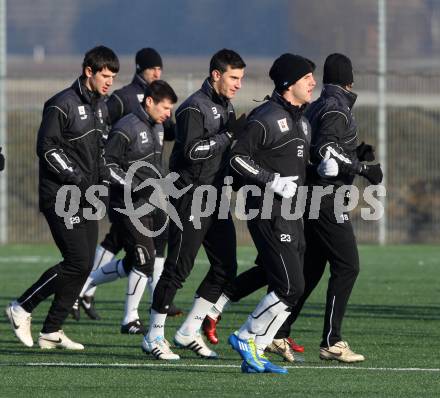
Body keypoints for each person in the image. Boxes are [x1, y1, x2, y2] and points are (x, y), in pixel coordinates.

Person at [268, 53, 383, 363]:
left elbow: (321, 146)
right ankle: (332, 340)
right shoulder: (338, 109)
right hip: (326, 199)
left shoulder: (320, 104)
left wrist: (355, 151)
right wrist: (362, 167)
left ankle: (276, 332)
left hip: (312, 197)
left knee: (311, 270)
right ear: (350, 80)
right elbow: (325, 148)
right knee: (348, 266)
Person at [5, 46, 119, 349]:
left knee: (84, 266)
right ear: (89, 72)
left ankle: (51, 330)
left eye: (113, 77)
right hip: (61, 194)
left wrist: (104, 181)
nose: (109, 82)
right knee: (77, 260)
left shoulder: (101, 106)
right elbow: (47, 148)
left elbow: (101, 152)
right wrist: (77, 179)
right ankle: (22, 307)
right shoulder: (61, 104)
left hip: (88, 196)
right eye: (105, 76)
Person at [141, 49, 246, 360]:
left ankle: (188, 330)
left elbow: (222, 153)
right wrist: (228, 135)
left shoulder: (225, 106)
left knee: (226, 268)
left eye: (241, 78)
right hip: (189, 195)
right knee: (177, 268)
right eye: (234, 77)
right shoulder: (192, 108)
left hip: (214, 197)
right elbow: (191, 152)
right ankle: (153, 335)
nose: (238, 84)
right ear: (216, 75)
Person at [74, 48, 182, 322]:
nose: (157, 71)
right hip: (126, 199)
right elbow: (105, 138)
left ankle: (90, 289)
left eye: (159, 68)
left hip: (150, 198)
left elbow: (165, 144)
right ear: (139, 68)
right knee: (134, 252)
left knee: (141, 255)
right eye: (152, 67)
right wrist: (131, 183)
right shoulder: (124, 103)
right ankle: (129, 313)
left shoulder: (157, 123)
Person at [226, 53, 318, 374]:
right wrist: (271, 181)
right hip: (267, 211)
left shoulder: (303, 121)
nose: (313, 83)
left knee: (295, 285)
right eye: (307, 78)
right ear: (288, 83)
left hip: (293, 215)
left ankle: (256, 351)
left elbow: (299, 168)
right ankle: (245, 336)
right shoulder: (265, 118)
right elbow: (236, 159)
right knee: (290, 285)